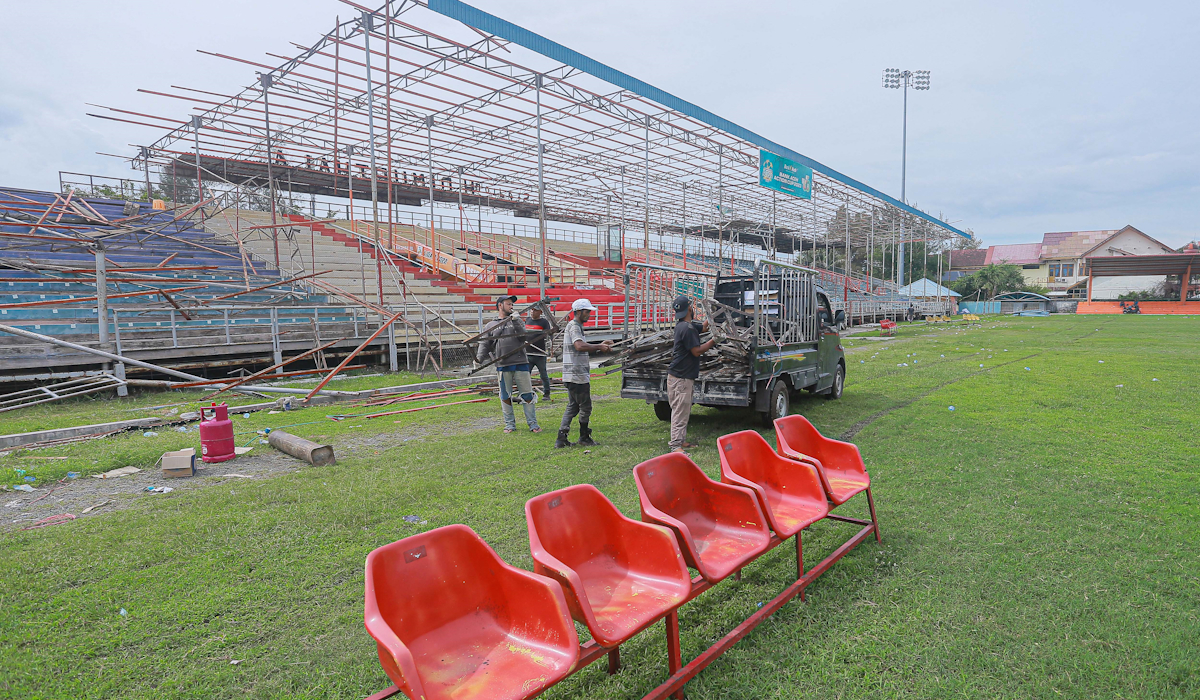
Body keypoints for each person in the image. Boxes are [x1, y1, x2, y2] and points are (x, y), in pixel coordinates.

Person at [477, 295, 541, 434]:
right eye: (509, 304)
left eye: (512, 304)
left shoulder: (517, 320)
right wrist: (478, 360)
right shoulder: (490, 325)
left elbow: (523, 337)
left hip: (521, 363)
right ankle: (509, 425)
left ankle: (533, 424)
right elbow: (484, 343)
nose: (512, 306)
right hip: (503, 364)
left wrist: (517, 321)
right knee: (505, 396)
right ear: (500, 305)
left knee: (528, 395)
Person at [556, 298, 612, 448]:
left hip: (571, 374)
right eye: (587, 312)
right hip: (577, 375)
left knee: (573, 406)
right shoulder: (574, 326)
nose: (589, 315)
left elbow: (580, 346)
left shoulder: (575, 326)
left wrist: (599, 345)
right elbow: (579, 346)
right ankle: (584, 437)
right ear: (578, 312)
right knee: (585, 406)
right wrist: (599, 346)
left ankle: (561, 438)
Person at [666, 295, 716, 454]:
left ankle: (682, 441)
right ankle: (675, 446)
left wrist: (712, 316)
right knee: (680, 411)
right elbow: (697, 351)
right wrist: (715, 340)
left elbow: (704, 327)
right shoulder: (686, 329)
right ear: (689, 308)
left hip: (680, 376)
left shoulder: (684, 325)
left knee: (683, 410)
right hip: (681, 378)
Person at [525, 306, 553, 401]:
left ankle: (546, 393)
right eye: (532, 310)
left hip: (539, 354)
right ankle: (525, 394)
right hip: (528, 353)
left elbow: (549, 335)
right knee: (525, 375)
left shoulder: (544, 322)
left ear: (540, 312)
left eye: (535, 310)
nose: (532, 312)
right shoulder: (527, 320)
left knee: (543, 375)